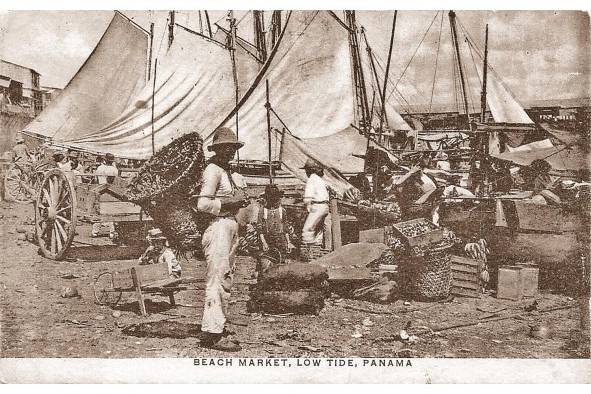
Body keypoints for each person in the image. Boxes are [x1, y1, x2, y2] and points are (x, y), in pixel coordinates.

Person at [196, 127, 249, 351]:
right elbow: (202, 204)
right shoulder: (213, 171)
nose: (230, 152)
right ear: (216, 150)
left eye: (233, 148)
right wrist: (233, 202)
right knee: (217, 279)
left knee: (226, 278)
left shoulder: (229, 173)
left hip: (230, 227)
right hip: (217, 227)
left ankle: (217, 326)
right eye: (225, 148)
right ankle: (213, 334)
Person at [256, 184, 295, 273]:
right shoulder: (263, 211)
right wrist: (264, 242)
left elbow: (285, 228)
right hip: (268, 240)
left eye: (275, 199)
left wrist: (288, 242)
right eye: (271, 199)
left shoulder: (282, 211)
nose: (273, 202)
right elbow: (260, 229)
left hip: (280, 241)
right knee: (266, 266)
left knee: (281, 267)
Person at [300, 158, 330, 259]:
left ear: (309, 170)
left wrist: (307, 206)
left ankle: (308, 254)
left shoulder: (311, 179)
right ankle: (318, 253)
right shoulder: (320, 179)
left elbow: (308, 196)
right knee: (318, 230)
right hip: (325, 206)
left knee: (307, 230)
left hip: (317, 206)